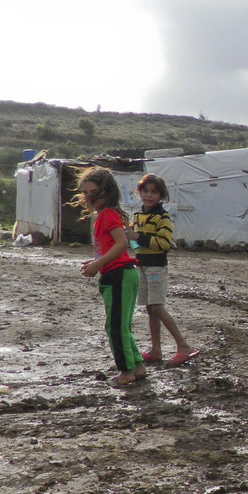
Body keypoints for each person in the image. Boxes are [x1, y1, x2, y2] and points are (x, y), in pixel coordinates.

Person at [73, 166, 147, 387]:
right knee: (121, 325)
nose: (88, 197)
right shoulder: (106, 215)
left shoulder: (107, 215)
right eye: (85, 192)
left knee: (115, 326)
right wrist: (98, 262)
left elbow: (122, 244)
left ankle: (126, 372)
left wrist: (98, 264)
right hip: (120, 274)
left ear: (106, 192)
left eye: (92, 192)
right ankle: (137, 365)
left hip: (119, 275)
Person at [129, 173, 199, 367]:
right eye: (145, 191)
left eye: (154, 192)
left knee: (157, 306)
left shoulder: (163, 217)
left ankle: (183, 346)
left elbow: (163, 244)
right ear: (139, 192)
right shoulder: (137, 215)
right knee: (151, 309)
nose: (149, 195)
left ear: (161, 196)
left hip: (156, 267)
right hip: (141, 265)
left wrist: (137, 236)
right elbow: (135, 240)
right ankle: (156, 350)